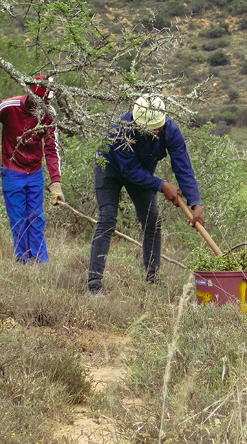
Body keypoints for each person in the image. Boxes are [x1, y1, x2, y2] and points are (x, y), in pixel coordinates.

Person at [86, 96, 205, 295]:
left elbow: (183, 168)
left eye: (159, 127)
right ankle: (94, 284)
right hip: (109, 168)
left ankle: (153, 280)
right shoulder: (120, 130)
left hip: (141, 172)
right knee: (107, 219)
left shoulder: (171, 131)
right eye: (152, 129)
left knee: (153, 221)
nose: (156, 131)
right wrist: (162, 185)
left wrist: (196, 203)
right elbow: (129, 170)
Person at [0, 77, 64, 263]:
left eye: (48, 101)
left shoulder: (49, 113)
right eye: (42, 100)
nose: (46, 104)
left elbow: (52, 148)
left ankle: (40, 261)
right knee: (19, 219)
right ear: (32, 95)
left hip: (35, 171)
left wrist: (56, 181)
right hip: (12, 170)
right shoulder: (9, 106)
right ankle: (23, 261)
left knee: (36, 218)